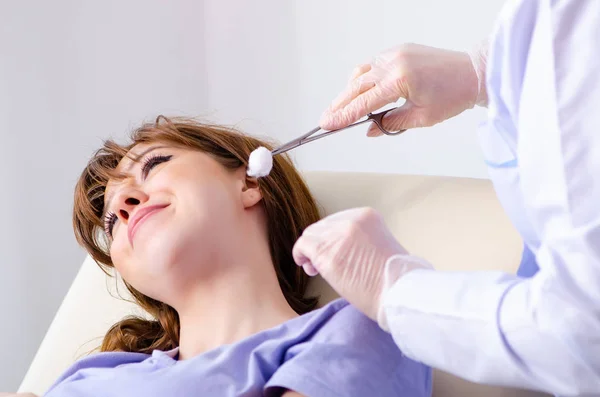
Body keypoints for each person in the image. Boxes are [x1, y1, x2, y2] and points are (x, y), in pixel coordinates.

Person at [292, 0, 600, 395]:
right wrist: (487, 72)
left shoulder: (332, 347)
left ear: (248, 186)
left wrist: (397, 293)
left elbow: (584, 335)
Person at [9, 117, 431, 397]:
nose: (121, 205)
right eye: (110, 223)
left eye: (152, 165)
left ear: (249, 181)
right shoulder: (96, 376)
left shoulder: (365, 326)